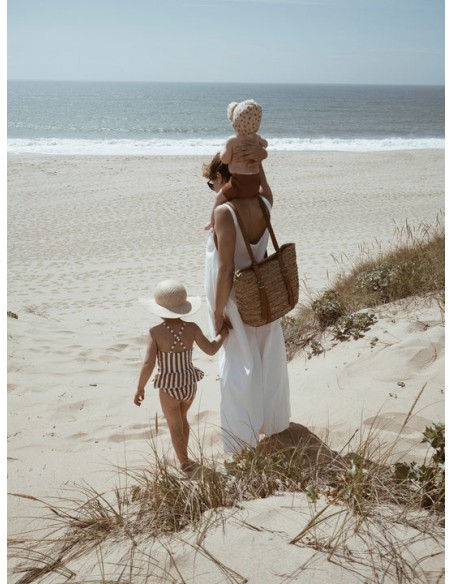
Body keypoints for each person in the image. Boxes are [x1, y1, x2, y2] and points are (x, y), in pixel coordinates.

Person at [203, 154, 291, 453]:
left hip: (234, 297)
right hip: (263, 292)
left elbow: (226, 268)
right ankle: (273, 422)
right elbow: (263, 184)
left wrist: (217, 311)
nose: (213, 189)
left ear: (223, 177)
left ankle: (241, 439)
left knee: (239, 365)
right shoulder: (265, 202)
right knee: (268, 356)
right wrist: (253, 159)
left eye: (211, 182)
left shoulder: (224, 212)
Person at [134, 279, 229, 475]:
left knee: (174, 426)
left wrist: (140, 387)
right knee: (183, 419)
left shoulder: (155, 332)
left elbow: (148, 364)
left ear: (159, 309)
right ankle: (184, 456)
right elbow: (211, 349)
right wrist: (224, 334)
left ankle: (184, 463)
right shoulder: (191, 328)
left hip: (169, 386)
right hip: (189, 384)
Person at [205, 99, 268, 230]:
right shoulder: (265, 202)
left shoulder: (232, 140)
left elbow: (225, 159)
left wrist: (226, 150)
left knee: (218, 199)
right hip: (254, 183)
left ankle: (211, 223)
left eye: (211, 183)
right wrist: (261, 153)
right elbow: (265, 144)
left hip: (239, 183)